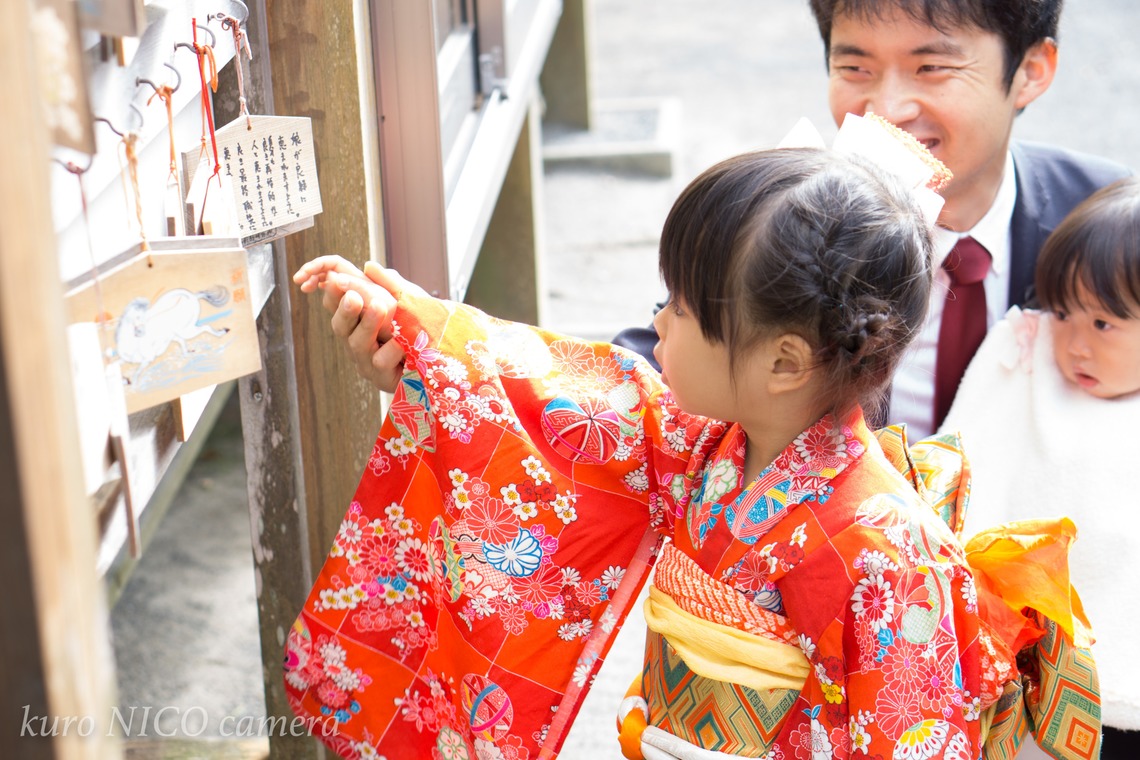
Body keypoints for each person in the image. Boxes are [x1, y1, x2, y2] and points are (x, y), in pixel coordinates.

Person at [286, 127, 1094, 759]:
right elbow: (561, 400)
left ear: (783, 363)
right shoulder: (705, 445)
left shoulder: (887, 552)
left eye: (681, 307)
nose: (658, 323)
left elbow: (914, 739)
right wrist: (425, 335)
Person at [609, 0, 1131, 439]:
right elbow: (675, 346)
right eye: (856, 69)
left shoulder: (1108, 224)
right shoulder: (794, 216)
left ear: (1031, 70)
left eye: (932, 68)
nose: (887, 108)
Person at [941, 177, 1140, 758]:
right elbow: (964, 462)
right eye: (1062, 313)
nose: (1075, 344)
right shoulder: (1024, 362)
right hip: (1008, 667)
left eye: (1103, 324)